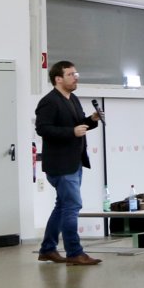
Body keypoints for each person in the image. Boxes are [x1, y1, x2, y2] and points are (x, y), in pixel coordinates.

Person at [34, 61, 104, 266]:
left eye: (76, 73)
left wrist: (91, 119)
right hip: (60, 164)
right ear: (58, 79)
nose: (76, 77)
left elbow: (78, 124)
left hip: (74, 162)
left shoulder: (72, 98)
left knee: (63, 206)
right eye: (71, 74)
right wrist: (70, 132)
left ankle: (47, 249)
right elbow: (43, 129)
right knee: (72, 206)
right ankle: (74, 252)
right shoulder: (49, 101)